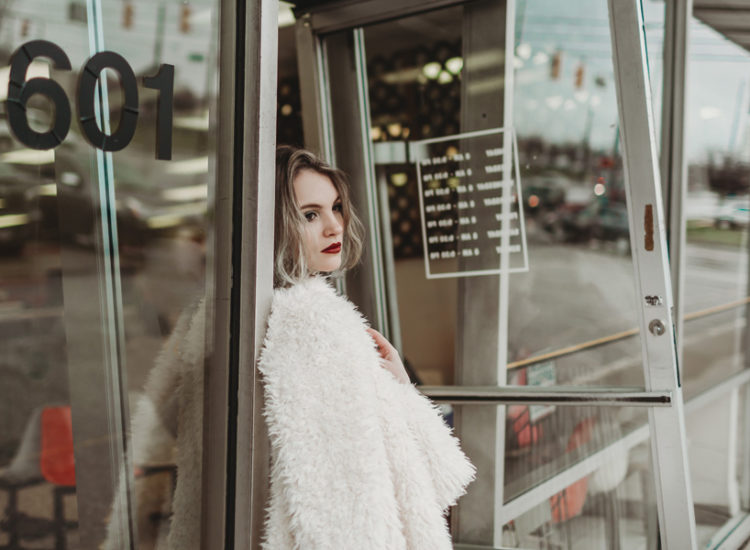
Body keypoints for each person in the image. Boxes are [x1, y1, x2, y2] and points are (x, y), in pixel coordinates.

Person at [259, 146, 475, 549]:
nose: (334, 227)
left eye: (336, 208)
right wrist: (401, 388)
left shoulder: (269, 312)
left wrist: (395, 383)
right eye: (310, 214)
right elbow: (350, 496)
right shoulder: (312, 322)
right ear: (272, 224)